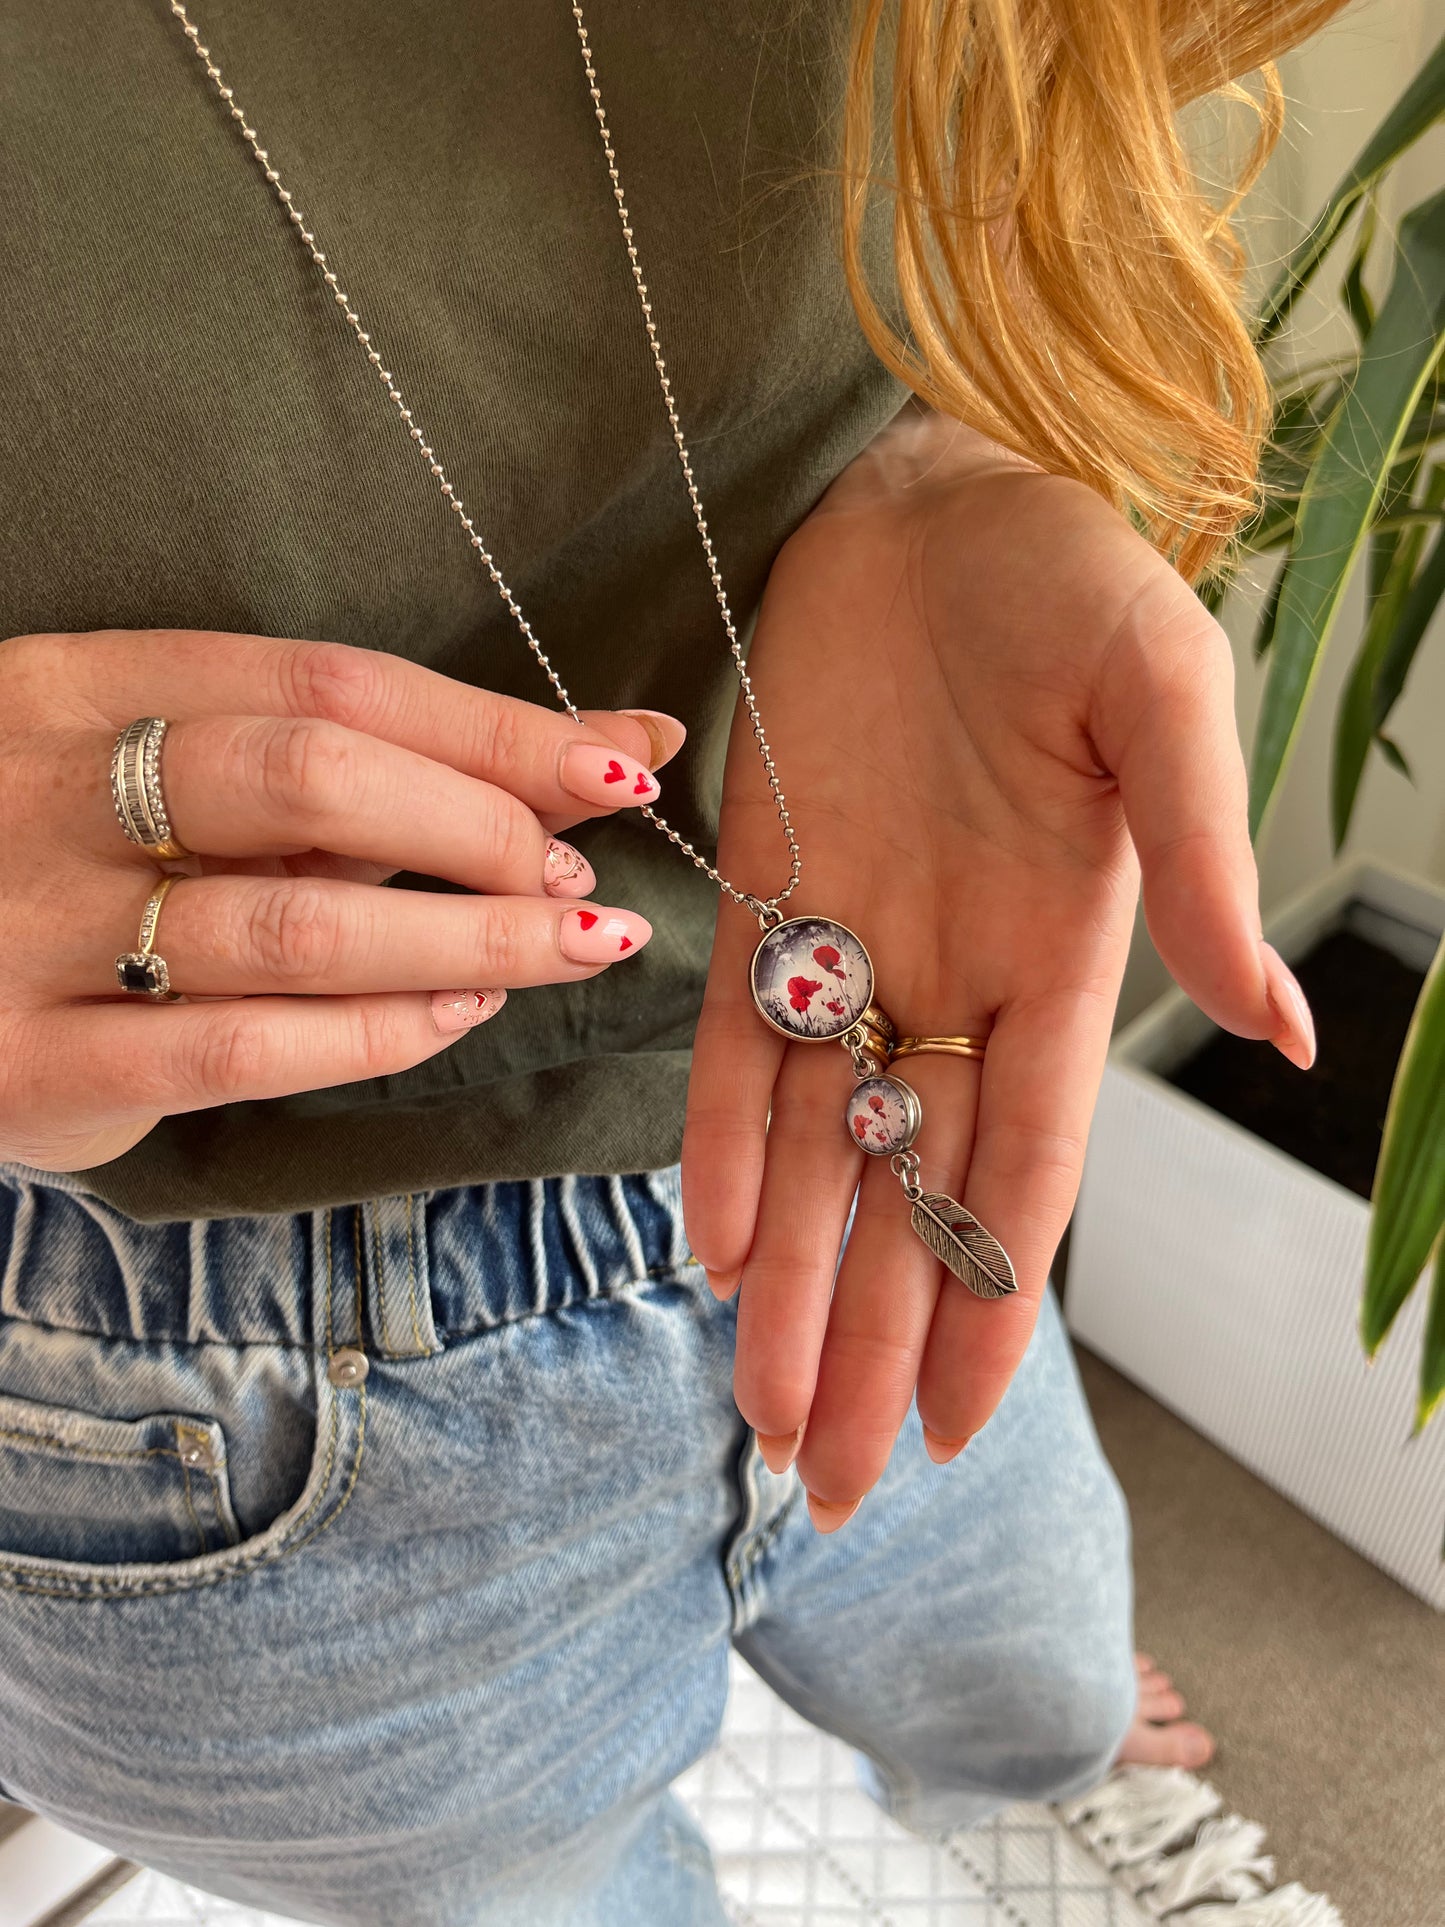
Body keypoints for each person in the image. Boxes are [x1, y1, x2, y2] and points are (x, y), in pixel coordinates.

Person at [0, 2, 1334, 1922]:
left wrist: (944, 450)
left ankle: (1017, 1761)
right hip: (193, 1341)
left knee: (1029, 1668)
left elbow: (974, 146)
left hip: (872, 1117)